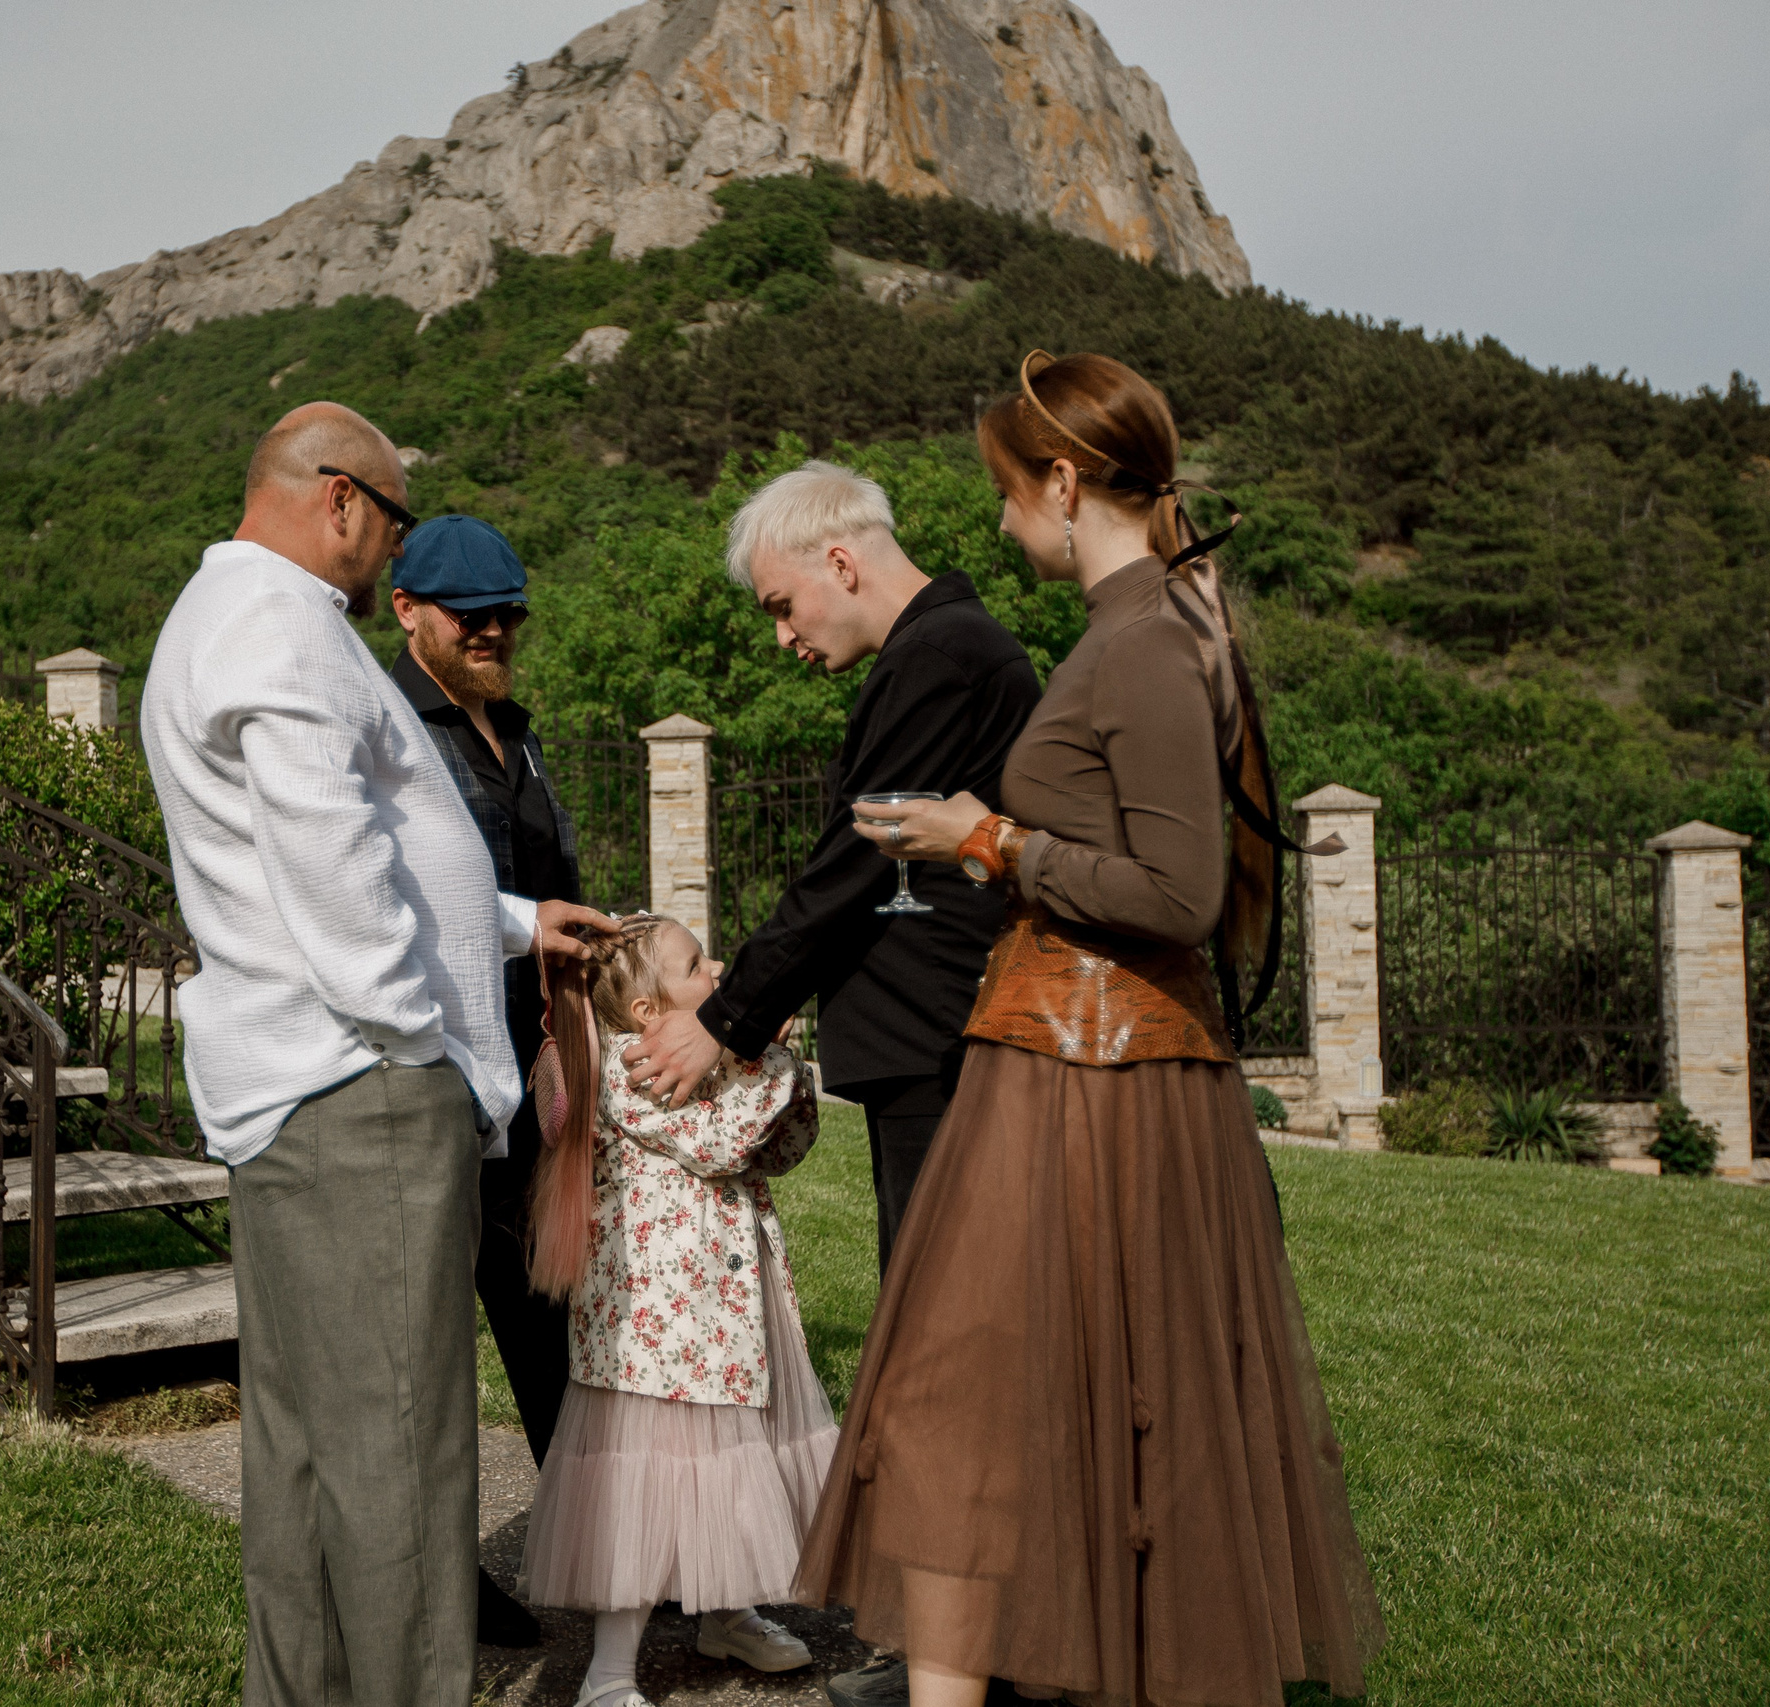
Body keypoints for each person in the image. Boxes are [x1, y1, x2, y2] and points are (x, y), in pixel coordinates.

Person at [791, 352, 1386, 1707]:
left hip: (1095, 1070)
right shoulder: (1142, 625)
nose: (1000, 523)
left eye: (1009, 492)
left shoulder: (1145, 640)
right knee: (994, 1404)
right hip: (1057, 1049)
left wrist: (986, 836)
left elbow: (1178, 891)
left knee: (968, 1402)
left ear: (1065, 481)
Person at [140, 401, 616, 1707]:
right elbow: (345, 890)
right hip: (361, 1092)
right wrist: (438, 1055)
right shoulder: (282, 628)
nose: (388, 550)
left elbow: (396, 859)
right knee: (400, 1458)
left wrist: (517, 921)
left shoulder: (244, 618)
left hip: (304, 1085)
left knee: (302, 1454)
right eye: (393, 519)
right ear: (341, 499)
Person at [621, 461, 1039, 1285]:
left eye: (782, 605)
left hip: (944, 1040)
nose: (782, 636)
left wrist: (723, 1018)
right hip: (935, 1035)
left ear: (840, 564)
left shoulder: (941, 656)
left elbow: (853, 867)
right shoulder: (939, 651)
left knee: (941, 1309)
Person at [515, 913, 838, 1707]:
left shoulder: (710, 1055)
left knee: (729, 1467)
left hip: (722, 1316)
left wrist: (765, 1052)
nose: (718, 968)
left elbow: (787, 1145)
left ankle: (725, 1612)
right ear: (652, 1012)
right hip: (659, 1331)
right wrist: (763, 1054)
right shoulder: (634, 1066)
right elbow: (727, 1139)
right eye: (697, 964)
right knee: (653, 1484)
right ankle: (610, 1670)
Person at [384, 512, 578, 1649]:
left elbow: (551, 881)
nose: (497, 631)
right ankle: (437, 1586)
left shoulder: (516, 730)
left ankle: (604, 1551)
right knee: (426, 1356)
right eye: (473, 615)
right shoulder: (383, 730)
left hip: (537, 1085)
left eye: (510, 611)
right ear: (408, 612)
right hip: (436, 1077)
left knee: (553, 1321)